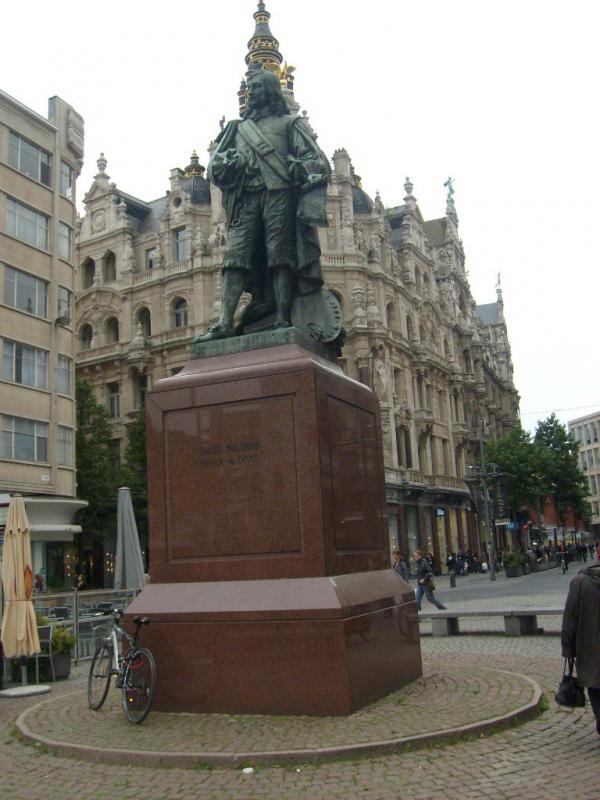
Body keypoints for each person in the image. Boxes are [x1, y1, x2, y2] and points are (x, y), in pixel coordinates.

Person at [195, 65, 331, 341]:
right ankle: (224, 322)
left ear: (269, 90)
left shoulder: (291, 124)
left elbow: (316, 161)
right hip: (246, 198)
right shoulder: (236, 129)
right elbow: (214, 170)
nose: (252, 93)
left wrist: (299, 167)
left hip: (279, 195)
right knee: (234, 257)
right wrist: (227, 164)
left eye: (256, 88)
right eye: (249, 89)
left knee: (280, 255)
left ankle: (282, 318)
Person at [561, 561, 600, 734]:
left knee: (595, 687)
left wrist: (568, 648)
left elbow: (569, 618)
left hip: (589, 651)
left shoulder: (580, 582)